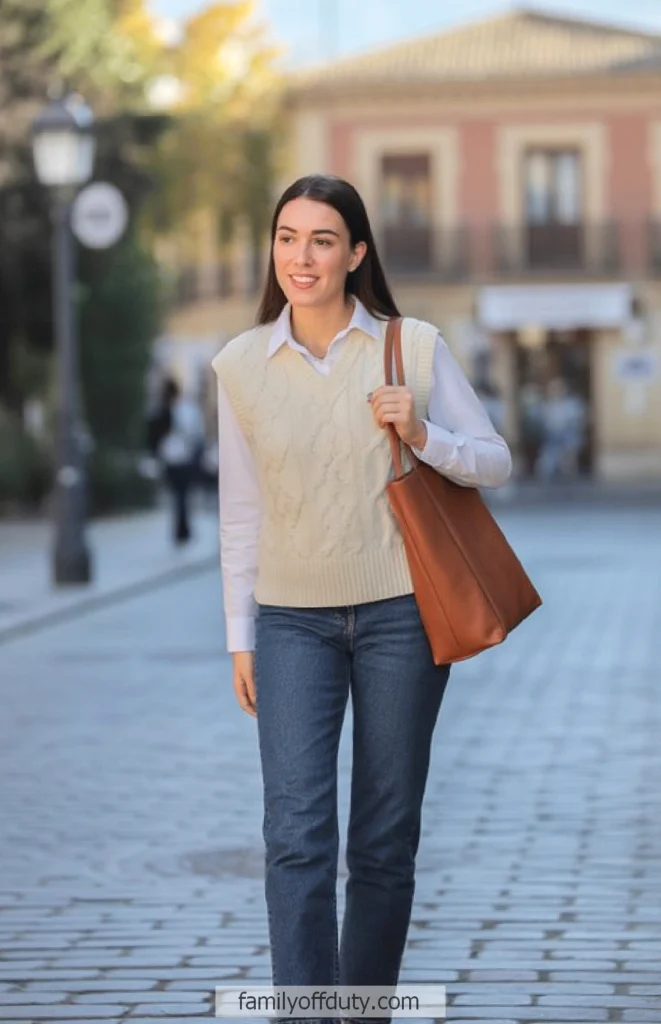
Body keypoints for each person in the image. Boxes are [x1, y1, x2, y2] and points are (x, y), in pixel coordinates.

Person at [211, 174, 512, 1021]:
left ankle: (364, 1010)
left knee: (382, 837)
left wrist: (424, 433)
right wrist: (241, 636)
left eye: (320, 240)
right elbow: (241, 510)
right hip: (289, 621)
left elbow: (494, 460)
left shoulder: (411, 347)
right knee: (295, 836)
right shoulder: (240, 365)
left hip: (400, 617)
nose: (300, 257)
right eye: (286, 238)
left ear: (355, 254)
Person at [150, 376, 205, 544]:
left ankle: (180, 530)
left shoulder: (162, 410)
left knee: (177, 496)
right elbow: (195, 432)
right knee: (183, 496)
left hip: (170, 459)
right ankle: (183, 530)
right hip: (184, 458)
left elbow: (154, 437)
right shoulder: (185, 408)